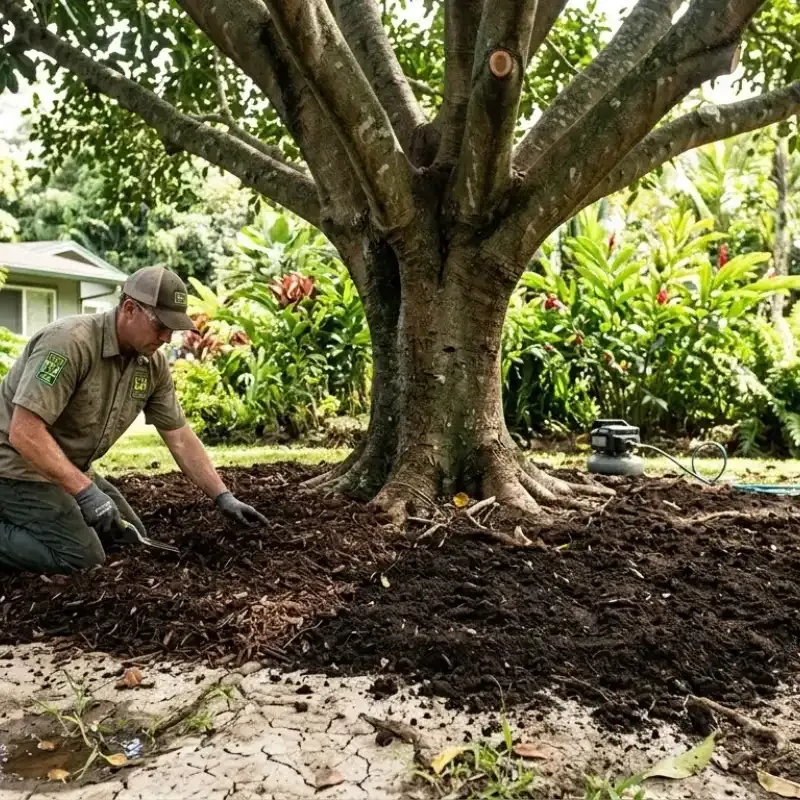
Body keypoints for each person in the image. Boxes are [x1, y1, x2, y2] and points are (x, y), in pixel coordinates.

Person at [0, 266, 266, 574]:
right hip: (14, 468)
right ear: (129, 309)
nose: (167, 337)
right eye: (160, 326)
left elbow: (179, 436)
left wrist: (223, 496)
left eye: (173, 328)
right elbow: (24, 433)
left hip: (64, 467)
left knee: (129, 539)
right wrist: (85, 492)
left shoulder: (151, 364)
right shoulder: (68, 343)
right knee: (82, 556)